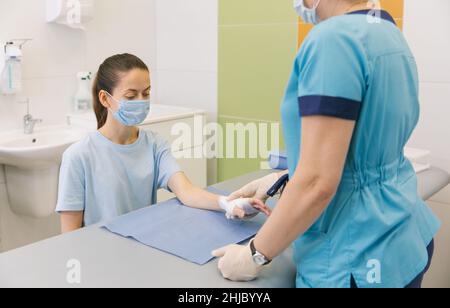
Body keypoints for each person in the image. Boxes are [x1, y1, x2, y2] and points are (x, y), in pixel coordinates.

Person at [212, 0, 440, 288]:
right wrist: (287, 178)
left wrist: (253, 255)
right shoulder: (386, 31)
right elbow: (362, 150)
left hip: (353, 256)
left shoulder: (333, 40)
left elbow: (318, 184)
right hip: (401, 238)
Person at [56, 53, 270, 233]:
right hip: (100, 253)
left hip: (141, 242)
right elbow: (70, 235)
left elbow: (187, 192)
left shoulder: (154, 145)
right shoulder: (78, 156)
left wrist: (227, 203)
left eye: (146, 93)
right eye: (131, 96)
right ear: (105, 99)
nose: (141, 101)